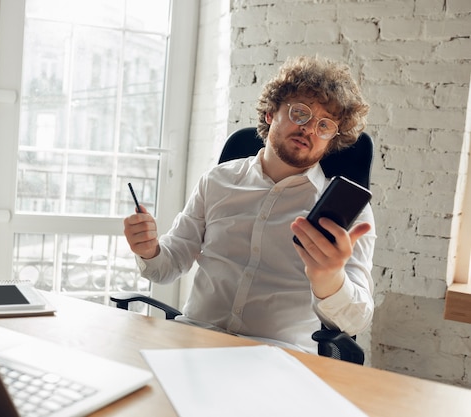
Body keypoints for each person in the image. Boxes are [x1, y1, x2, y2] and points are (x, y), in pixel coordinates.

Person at [123, 55, 374, 354]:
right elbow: (166, 267)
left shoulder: (352, 215)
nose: (309, 129)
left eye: (324, 126)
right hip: (194, 341)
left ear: (332, 140)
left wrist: (330, 278)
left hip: (276, 357)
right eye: (300, 113)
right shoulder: (216, 181)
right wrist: (148, 250)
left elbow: (357, 321)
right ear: (270, 113)